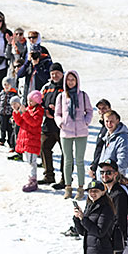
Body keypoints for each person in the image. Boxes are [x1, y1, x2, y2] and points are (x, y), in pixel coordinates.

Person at [55, 70, 93, 200]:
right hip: (66, 132)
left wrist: (86, 122)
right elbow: (57, 113)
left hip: (81, 132)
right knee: (68, 160)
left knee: (80, 160)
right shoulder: (61, 97)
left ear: (77, 81)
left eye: (73, 79)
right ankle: (68, 187)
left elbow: (89, 111)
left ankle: (81, 188)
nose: (70, 82)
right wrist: (61, 123)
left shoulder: (83, 95)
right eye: (68, 80)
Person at [73, 180, 115, 254]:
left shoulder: (106, 208)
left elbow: (100, 232)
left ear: (103, 192)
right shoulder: (90, 206)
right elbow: (83, 232)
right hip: (92, 253)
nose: (92, 193)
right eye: (90, 191)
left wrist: (83, 218)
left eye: (96, 191)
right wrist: (77, 218)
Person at [99, 159, 128, 254]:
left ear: (115, 174)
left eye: (108, 172)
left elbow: (120, 220)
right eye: (102, 172)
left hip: (116, 240)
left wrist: (117, 242)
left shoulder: (119, 194)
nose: (105, 175)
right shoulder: (107, 192)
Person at [38, 62, 65, 186]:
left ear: (62, 73)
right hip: (48, 124)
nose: (55, 76)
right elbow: (39, 103)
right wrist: (45, 111)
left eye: (57, 73)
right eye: (52, 73)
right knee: (44, 147)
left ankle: (65, 179)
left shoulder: (66, 87)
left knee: (66, 152)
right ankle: (48, 175)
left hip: (63, 126)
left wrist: (58, 110)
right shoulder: (46, 87)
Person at [13, 90, 44, 192]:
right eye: (28, 101)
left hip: (32, 140)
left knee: (32, 162)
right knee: (28, 161)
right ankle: (31, 179)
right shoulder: (28, 109)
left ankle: (33, 180)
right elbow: (20, 122)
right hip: (25, 139)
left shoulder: (38, 111)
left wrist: (25, 113)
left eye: (31, 101)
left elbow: (34, 123)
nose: (29, 103)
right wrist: (17, 112)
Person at [96, 110, 128, 178]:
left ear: (117, 121)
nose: (109, 124)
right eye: (106, 121)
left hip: (113, 180)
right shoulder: (107, 135)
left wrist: (113, 175)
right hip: (104, 178)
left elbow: (123, 161)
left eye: (111, 121)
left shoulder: (122, 138)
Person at [88, 99, 112, 179]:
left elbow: (104, 149)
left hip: (105, 168)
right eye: (99, 108)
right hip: (99, 166)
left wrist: (94, 167)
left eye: (104, 108)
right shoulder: (104, 126)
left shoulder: (110, 127)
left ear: (110, 109)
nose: (102, 111)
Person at [0, 77, 18, 149]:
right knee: (2, 127)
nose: (6, 86)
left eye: (8, 84)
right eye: (5, 84)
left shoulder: (14, 94)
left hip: (10, 114)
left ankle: (10, 142)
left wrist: (14, 114)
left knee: (10, 129)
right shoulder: (1, 93)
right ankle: (2, 139)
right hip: (2, 113)